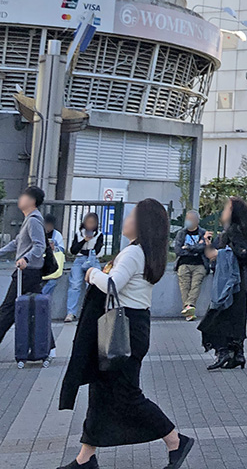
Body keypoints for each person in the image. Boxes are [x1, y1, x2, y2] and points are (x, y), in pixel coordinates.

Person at [58, 198, 194, 469]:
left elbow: (112, 285)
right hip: (130, 325)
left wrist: (93, 272)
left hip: (124, 329)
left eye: (131, 215)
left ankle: (175, 440)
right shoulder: (142, 251)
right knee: (100, 390)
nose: (126, 220)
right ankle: (85, 458)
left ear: (142, 223)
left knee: (126, 393)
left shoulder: (134, 253)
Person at [198, 196, 247, 369]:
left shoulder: (234, 232)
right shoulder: (229, 232)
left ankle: (224, 352)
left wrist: (222, 254)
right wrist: (208, 246)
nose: (222, 212)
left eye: (226, 209)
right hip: (233, 282)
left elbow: (246, 254)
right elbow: (214, 254)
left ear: (233, 213)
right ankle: (237, 354)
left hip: (232, 284)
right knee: (232, 318)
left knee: (218, 318)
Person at [0, 186, 55, 351]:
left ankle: (48, 347)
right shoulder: (30, 219)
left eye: (23, 196)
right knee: (35, 310)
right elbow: (17, 243)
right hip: (28, 272)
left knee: (8, 309)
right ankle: (49, 347)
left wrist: (25, 258)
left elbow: (39, 246)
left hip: (28, 272)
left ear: (32, 201)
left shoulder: (33, 220)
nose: (20, 198)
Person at [65, 212, 104, 323]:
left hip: (92, 260)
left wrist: (85, 249)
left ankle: (91, 312)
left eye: (93, 223)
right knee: (75, 285)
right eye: (88, 222)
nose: (90, 225)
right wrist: (84, 240)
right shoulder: (79, 234)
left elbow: (97, 250)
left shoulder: (99, 234)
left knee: (92, 286)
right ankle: (71, 313)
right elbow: (73, 250)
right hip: (79, 260)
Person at [173, 209, 208, 321]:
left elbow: (203, 248)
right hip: (183, 263)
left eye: (191, 219)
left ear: (197, 221)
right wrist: (195, 250)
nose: (188, 221)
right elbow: (178, 250)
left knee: (195, 285)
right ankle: (189, 310)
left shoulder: (203, 233)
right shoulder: (181, 233)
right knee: (184, 286)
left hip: (199, 263)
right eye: (187, 219)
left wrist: (188, 247)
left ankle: (188, 308)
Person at [41, 212, 66, 300]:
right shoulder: (40, 233)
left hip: (52, 262)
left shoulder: (57, 235)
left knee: (53, 281)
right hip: (41, 262)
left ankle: (43, 297)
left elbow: (62, 249)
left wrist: (54, 248)